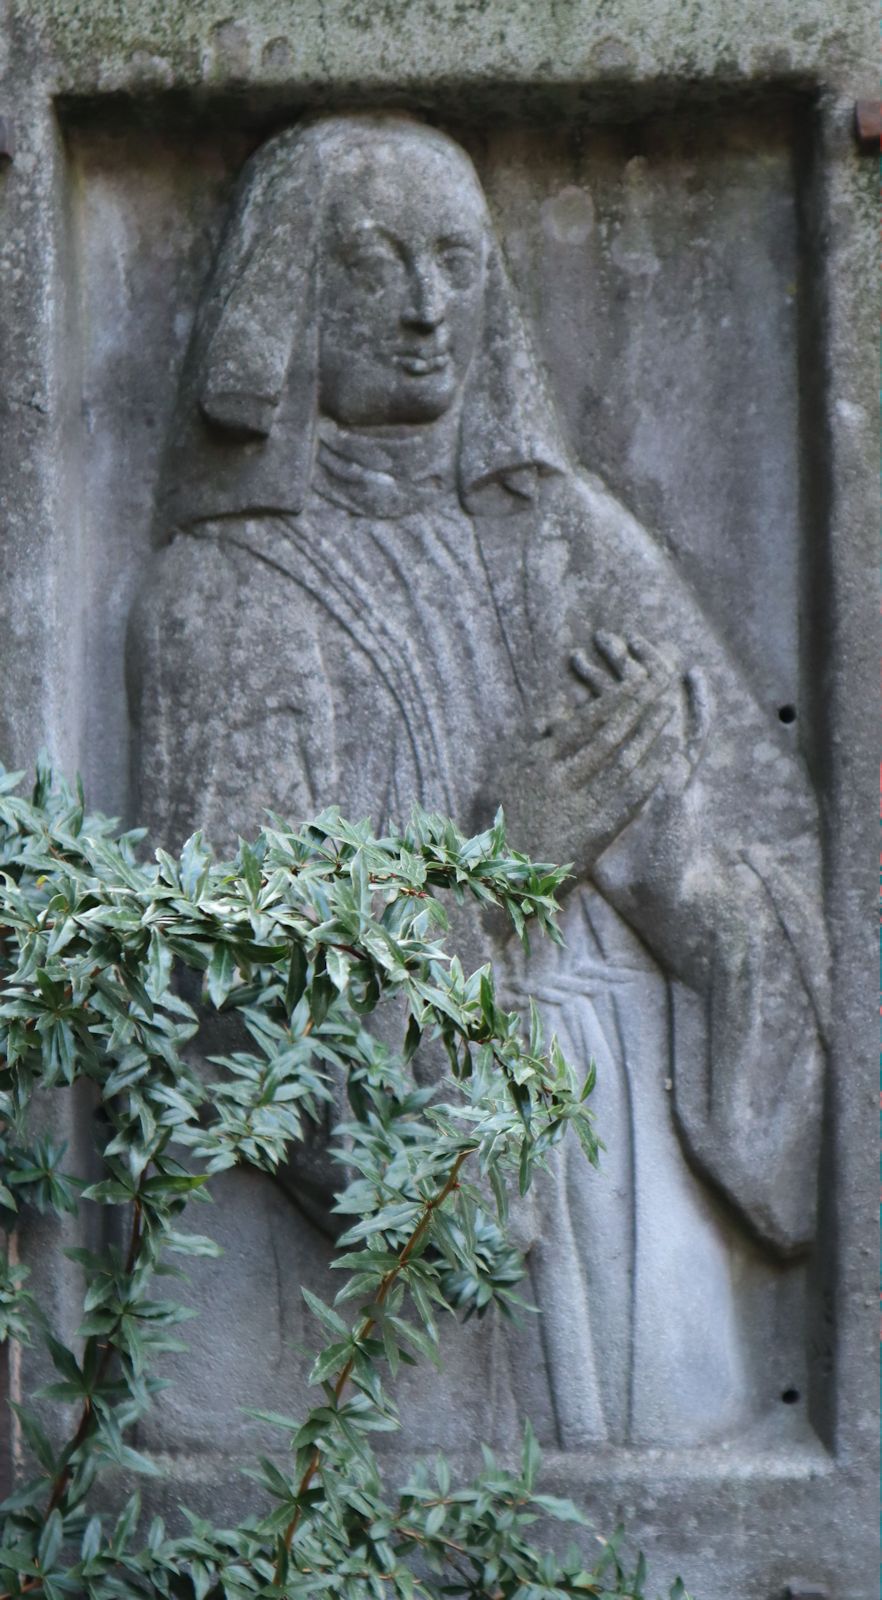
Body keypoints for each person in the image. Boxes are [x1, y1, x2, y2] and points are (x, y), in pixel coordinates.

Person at [128, 113, 828, 1452]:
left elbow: (765, 850)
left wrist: (683, 884)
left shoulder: (566, 539)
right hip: (375, 1204)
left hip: (602, 1125)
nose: (424, 308)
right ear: (285, 299)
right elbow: (227, 1004)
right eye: (373, 265)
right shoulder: (217, 594)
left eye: (456, 260)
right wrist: (511, 854)